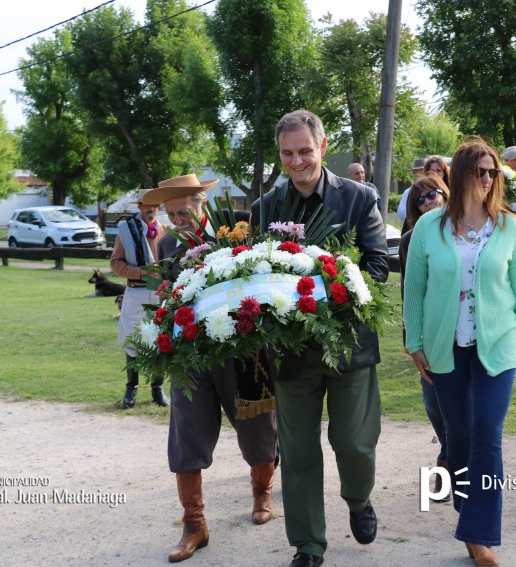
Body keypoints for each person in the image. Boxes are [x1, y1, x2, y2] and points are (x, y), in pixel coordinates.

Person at [252, 109, 388, 567]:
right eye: (287, 153)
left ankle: (358, 497)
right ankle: (308, 544)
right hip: (291, 352)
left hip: (348, 344)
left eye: (304, 151)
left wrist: (325, 290)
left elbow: (377, 266)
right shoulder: (264, 210)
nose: (296, 161)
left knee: (353, 441)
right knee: (298, 450)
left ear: (323, 146)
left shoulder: (357, 198)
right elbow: (253, 278)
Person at [404, 139, 516, 567]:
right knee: (457, 436)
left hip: (498, 346)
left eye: (492, 172)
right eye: (479, 171)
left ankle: (480, 535)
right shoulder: (429, 228)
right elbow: (415, 290)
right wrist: (414, 343)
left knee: (487, 434)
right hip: (444, 348)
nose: (486, 179)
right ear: (459, 174)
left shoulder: (509, 228)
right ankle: (470, 511)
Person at [155, 174, 278, 563]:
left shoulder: (236, 233)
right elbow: (170, 293)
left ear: (201, 205)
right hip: (191, 355)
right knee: (186, 434)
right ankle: (194, 523)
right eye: (171, 214)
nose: (178, 221)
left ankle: (262, 491)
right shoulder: (168, 243)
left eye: (184, 211)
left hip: (243, 351)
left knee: (258, 428)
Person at [398, 173, 450, 504]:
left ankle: (448, 464)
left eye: (434, 193)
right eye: (421, 198)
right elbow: (409, 291)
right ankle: (450, 450)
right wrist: (410, 339)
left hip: (466, 332)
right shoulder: (410, 240)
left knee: (466, 409)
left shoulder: (465, 230)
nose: (429, 200)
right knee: (433, 404)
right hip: (430, 335)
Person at [110, 188, 170, 409]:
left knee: (160, 339)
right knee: (133, 340)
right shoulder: (127, 230)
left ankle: (157, 387)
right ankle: (131, 387)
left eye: (155, 205)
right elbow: (115, 263)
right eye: (148, 205)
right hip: (136, 292)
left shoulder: (164, 230)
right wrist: (140, 272)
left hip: (159, 293)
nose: (152, 209)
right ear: (140, 207)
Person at [397, 157, 427, 231]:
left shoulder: (437, 190)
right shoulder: (408, 192)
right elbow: (400, 213)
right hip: (413, 229)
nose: (419, 174)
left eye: (422, 171)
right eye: (417, 171)